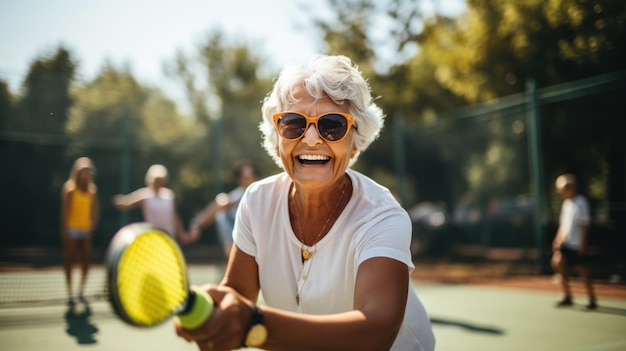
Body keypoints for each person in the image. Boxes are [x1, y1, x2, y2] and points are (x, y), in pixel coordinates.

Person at [175, 55, 435, 351]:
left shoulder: (383, 217)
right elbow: (237, 292)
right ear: (277, 139)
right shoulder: (257, 201)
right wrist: (215, 314)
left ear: (355, 143)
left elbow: (377, 329)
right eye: (294, 123)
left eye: (332, 125)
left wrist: (255, 325)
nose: (311, 139)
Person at [189, 161, 259, 258]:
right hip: (240, 240)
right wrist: (197, 225)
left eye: (251, 175)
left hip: (257, 238)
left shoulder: (261, 193)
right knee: (222, 213)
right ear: (239, 180)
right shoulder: (237, 195)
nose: (248, 179)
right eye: (245, 177)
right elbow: (221, 203)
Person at [551, 173, 597, 309]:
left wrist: (583, 244)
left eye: (563, 189)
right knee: (557, 263)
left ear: (572, 188)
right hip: (566, 243)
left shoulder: (581, 202)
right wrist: (558, 239)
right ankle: (567, 295)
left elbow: (585, 225)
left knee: (582, 269)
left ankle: (591, 298)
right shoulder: (566, 204)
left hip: (577, 244)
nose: (561, 192)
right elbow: (563, 225)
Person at [113, 164, 190, 243]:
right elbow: (128, 202)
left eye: (160, 180)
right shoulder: (144, 195)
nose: (158, 183)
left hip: (169, 236)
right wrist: (121, 202)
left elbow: (174, 216)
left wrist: (181, 234)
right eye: (156, 180)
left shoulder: (169, 195)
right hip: (153, 236)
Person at [60, 157, 100, 306]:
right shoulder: (69, 189)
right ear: (77, 171)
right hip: (71, 230)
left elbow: (95, 209)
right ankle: (70, 294)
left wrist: (92, 224)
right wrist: (65, 229)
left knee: (86, 263)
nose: (86, 173)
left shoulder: (92, 190)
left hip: (85, 231)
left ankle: (80, 292)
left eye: (88, 170)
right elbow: (65, 210)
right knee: (69, 261)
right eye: (83, 170)